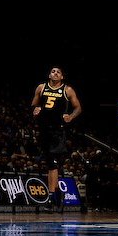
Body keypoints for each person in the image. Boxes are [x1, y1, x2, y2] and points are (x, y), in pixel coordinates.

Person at [31, 67, 81, 211]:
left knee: (53, 163)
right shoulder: (41, 88)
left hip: (58, 131)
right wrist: (35, 109)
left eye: (58, 72)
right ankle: (58, 192)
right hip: (44, 130)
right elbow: (33, 106)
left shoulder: (68, 90)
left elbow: (78, 108)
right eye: (53, 71)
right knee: (50, 165)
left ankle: (51, 199)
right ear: (49, 75)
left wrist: (70, 116)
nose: (55, 73)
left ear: (62, 77)